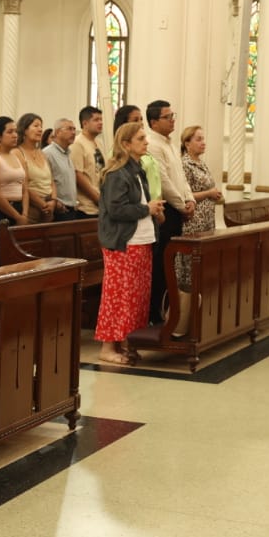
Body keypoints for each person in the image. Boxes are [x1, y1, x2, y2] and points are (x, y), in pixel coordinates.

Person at [96, 122, 164, 365]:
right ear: (126, 144)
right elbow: (116, 210)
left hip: (142, 239)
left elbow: (141, 203)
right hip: (123, 242)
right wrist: (147, 209)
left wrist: (154, 212)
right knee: (119, 296)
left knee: (137, 298)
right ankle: (107, 347)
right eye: (140, 138)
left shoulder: (138, 169)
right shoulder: (117, 173)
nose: (146, 142)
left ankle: (127, 341)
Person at [144, 100, 195, 324]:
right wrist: (182, 205)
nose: (173, 120)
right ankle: (155, 311)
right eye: (167, 116)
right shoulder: (153, 145)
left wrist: (190, 198)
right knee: (161, 262)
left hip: (177, 208)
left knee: (170, 262)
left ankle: (167, 308)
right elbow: (163, 181)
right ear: (154, 122)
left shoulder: (171, 144)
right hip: (167, 209)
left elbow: (180, 177)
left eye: (173, 115)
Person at [173, 126, 224, 336]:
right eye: (198, 139)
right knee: (189, 267)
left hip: (206, 221)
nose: (203, 143)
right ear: (187, 143)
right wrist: (209, 193)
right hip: (193, 221)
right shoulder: (184, 164)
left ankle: (198, 314)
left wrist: (215, 195)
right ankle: (183, 317)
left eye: (203, 139)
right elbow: (184, 193)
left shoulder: (201, 163)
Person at [15, 113, 58, 224]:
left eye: (41, 126)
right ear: (24, 130)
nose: (40, 129)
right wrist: (43, 204)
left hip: (49, 208)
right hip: (32, 209)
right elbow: (23, 185)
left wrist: (53, 201)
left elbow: (51, 181)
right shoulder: (17, 153)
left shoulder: (42, 153)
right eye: (36, 126)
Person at [70, 105, 105, 216]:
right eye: (96, 120)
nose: (100, 123)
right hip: (86, 207)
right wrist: (98, 199)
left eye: (101, 119)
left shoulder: (99, 143)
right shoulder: (77, 143)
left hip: (102, 203)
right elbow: (78, 175)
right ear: (85, 123)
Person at [44, 118, 81, 220]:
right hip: (59, 209)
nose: (73, 133)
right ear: (57, 132)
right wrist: (56, 203)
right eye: (69, 129)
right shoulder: (48, 153)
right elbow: (46, 182)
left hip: (72, 209)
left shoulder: (67, 153)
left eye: (74, 129)